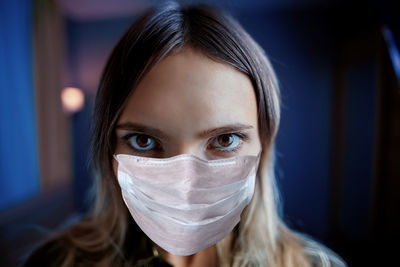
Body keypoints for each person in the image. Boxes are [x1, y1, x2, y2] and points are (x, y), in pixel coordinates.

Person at [23, 2, 347, 267]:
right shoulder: (55, 261)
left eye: (224, 140)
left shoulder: (316, 264)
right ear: (109, 150)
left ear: (263, 143)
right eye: (145, 141)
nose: (185, 184)